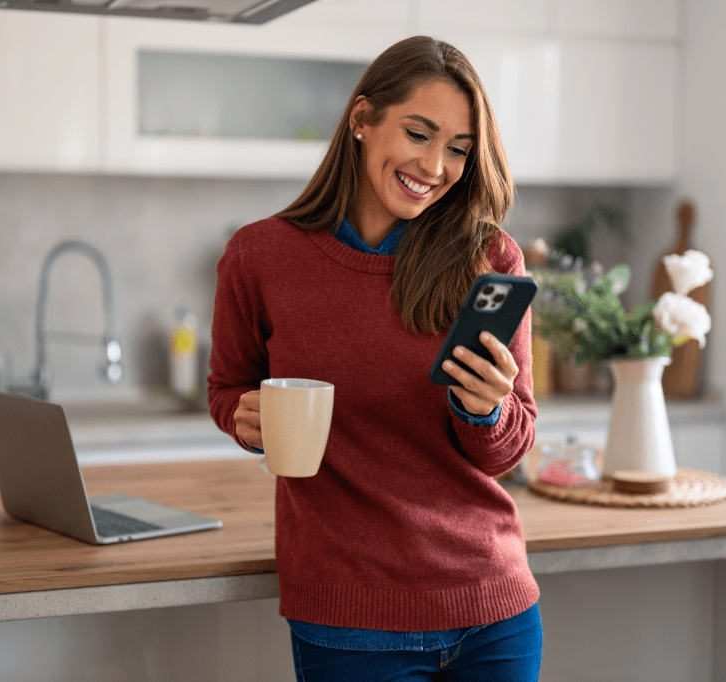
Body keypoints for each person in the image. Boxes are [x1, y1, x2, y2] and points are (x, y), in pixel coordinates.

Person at [207, 35, 541, 681]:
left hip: (492, 609)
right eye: (419, 134)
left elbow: (507, 451)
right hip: (350, 619)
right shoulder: (259, 257)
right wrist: (243, 419)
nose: (437, 165)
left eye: (459, 150)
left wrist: (485, 410)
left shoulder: (490, 260)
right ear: (362, 120)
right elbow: (228, 387)